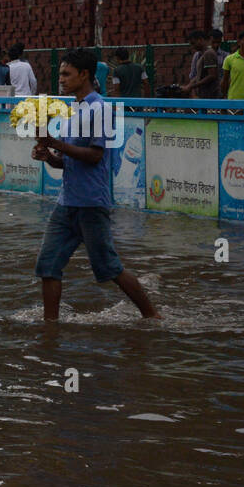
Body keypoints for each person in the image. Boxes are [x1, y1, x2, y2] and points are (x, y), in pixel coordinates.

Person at [31, 48, 158, 322]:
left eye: (66, 74)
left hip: (91, 203)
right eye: (61, 73)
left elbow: (95, 156)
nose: (61, 79)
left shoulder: (100, 109)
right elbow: (67, 162)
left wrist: (55, 144)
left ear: (84, 74)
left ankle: (152, 316)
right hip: (66, 203)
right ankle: (49, 326)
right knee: (48, 265)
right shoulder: (73, 111)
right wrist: (49, 157)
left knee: (109, 268)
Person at [183, 30, 220, 99]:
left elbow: (212, 75)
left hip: (210, 94)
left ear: (200, 40)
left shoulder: (209, 53)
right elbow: (199, 75)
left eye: (193, 43)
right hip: (204, 94)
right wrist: (189, 85)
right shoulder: (201, 54)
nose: (192, 46)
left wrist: (192, 86)